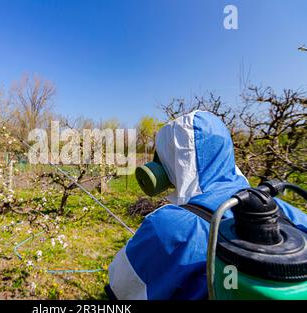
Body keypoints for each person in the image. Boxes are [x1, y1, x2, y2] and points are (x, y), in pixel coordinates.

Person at [106, 110, 307, 300]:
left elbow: (120, 286)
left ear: (176, 160)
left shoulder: (169, 225)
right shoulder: (283, 209)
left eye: (163, 157)